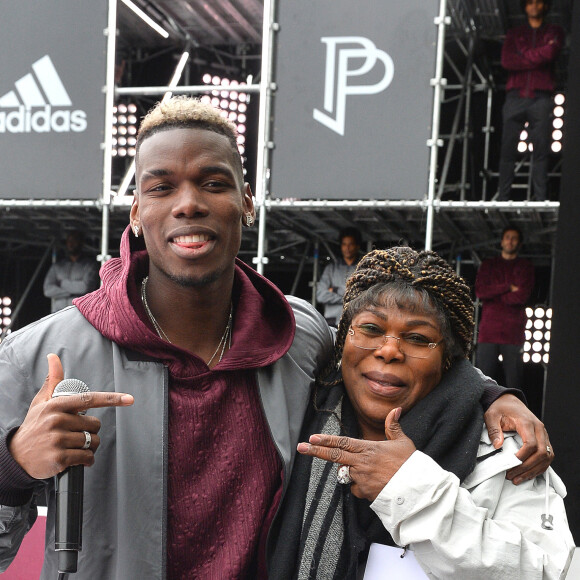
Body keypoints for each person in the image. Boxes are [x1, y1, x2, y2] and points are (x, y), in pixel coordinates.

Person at [0, 97, 552, 579]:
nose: (188, 202)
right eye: (162, 186)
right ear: (137, 212)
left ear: (246, 203)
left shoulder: (299, 334)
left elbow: (392, 357)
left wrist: (490, 393)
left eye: (213, 183)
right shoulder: (42, 354)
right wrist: (14, 466)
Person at [271, 247, 573, 579]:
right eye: (371, 329)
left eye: (417, 338)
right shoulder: (294, 405)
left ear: (449, 359)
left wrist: (412, 491)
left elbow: (551, 573)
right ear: (345, 337)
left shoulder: (506, 452)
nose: (388, 350)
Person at [497, 0, 564, 201]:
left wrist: (523, 55)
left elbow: (551, 52)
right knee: (508, 149)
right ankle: (503, 198)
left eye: (538, 2)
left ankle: (541, 198)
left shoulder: (554, 31)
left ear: (545, 6)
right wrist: (537, 57)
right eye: (530, 3)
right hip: (515, 96)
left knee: (541, 150)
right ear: (524, 7)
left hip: (541, 97)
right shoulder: (514, 34)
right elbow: (507, 61)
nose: (534, 6)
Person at [475, 226, 535, 390]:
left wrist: (494, 294)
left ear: (519, 244)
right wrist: (508, 286)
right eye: (507, 237)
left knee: (514, 383)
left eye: (514, 238)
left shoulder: (525, 267)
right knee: (483, 383)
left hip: (512, 333)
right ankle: (480, 416)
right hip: (488, 332)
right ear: (501, 241)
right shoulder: (488, 265)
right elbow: (481, 291)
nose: (510, 241)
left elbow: (521, 296)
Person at [43, 230, 100, 313]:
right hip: (58, 313)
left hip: (79, 313)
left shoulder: (89, 265)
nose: (71, 244)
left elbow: (85, 287)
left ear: (81, 243)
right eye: (69, 241)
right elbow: (47, 290)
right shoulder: (57, 266)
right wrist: (72, 292)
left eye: (74, 241)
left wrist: (62, 283)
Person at [317, 227, 362, 326]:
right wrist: (348, 297)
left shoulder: (363, 269)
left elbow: (363, 295)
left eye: (351, 244)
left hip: (355, 321)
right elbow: (320, 295)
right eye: (344, 244)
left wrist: (335, 290)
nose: (347, 248)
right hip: (332, 322)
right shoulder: (331, 269)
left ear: (357, 246)